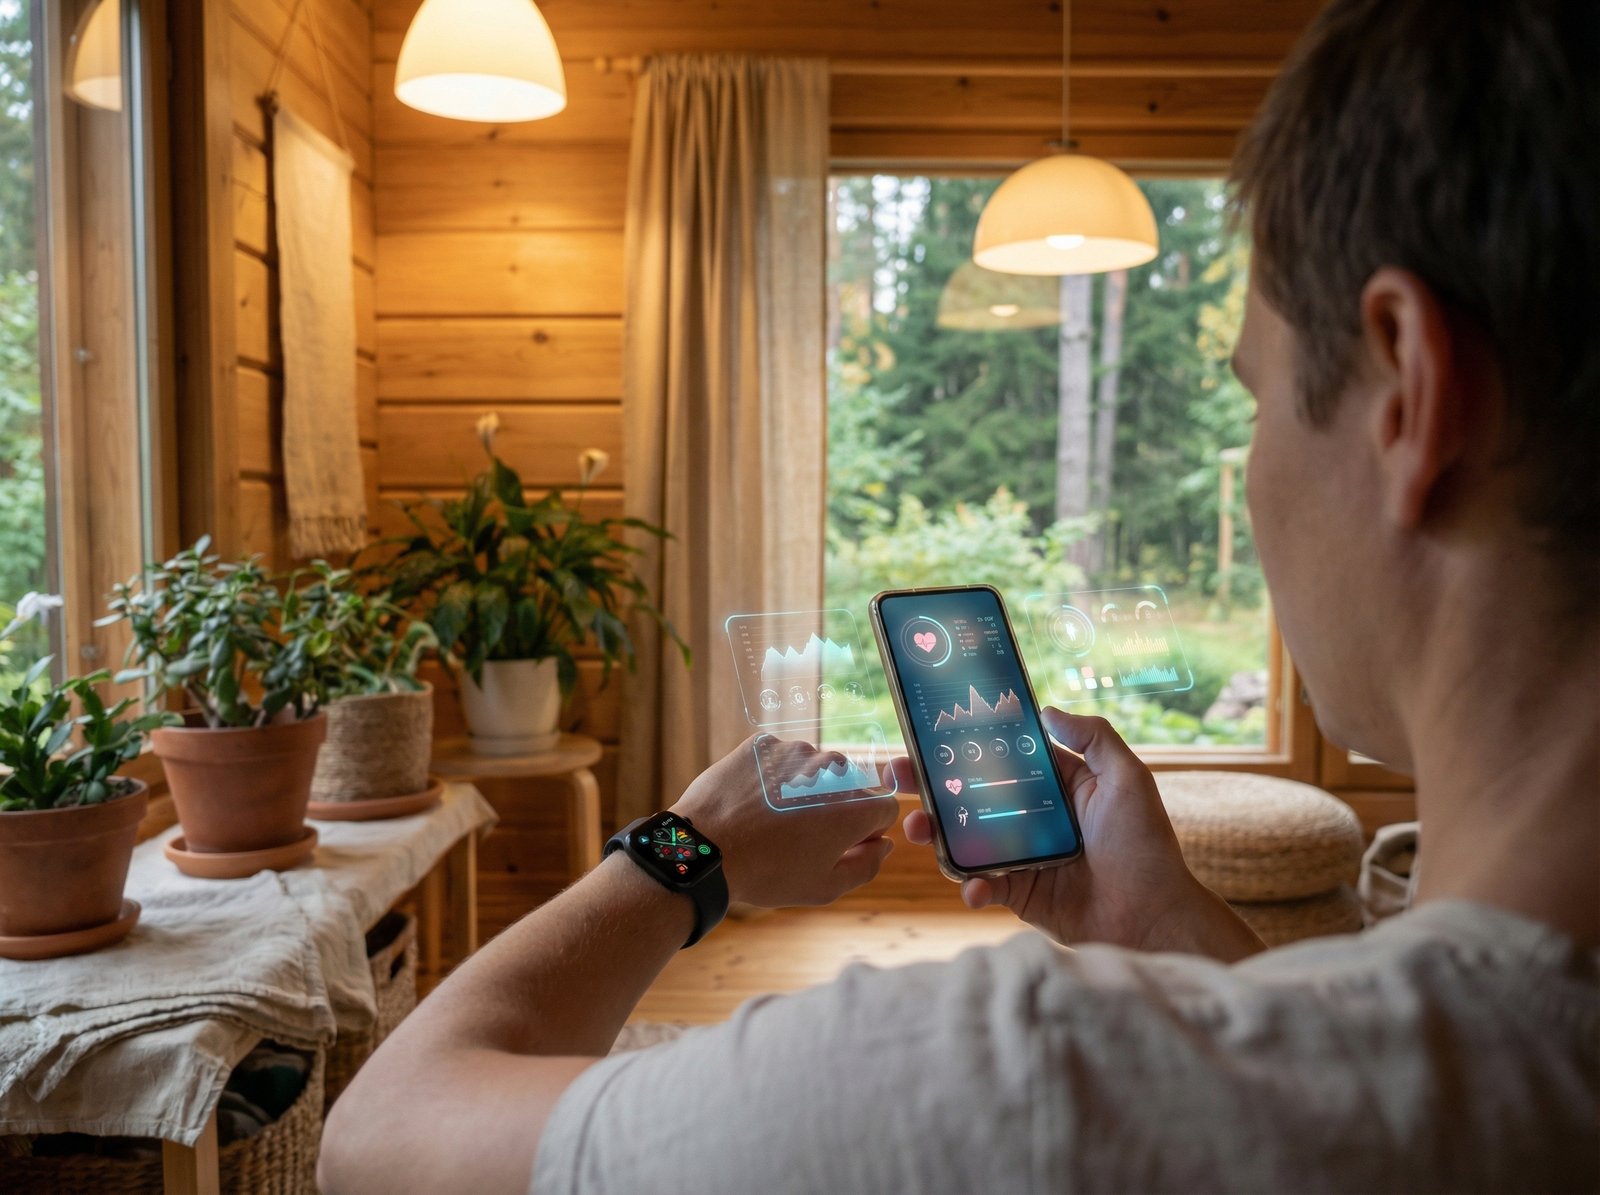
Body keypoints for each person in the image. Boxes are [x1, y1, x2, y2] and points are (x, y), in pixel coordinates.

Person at [319, 0, 1599, 1190]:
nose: (1250, 461)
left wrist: (683, 854)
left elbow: (380, 1139)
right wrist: (1154, 920)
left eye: (1256, 396)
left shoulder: (1008, 1078)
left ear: (1407, 391)